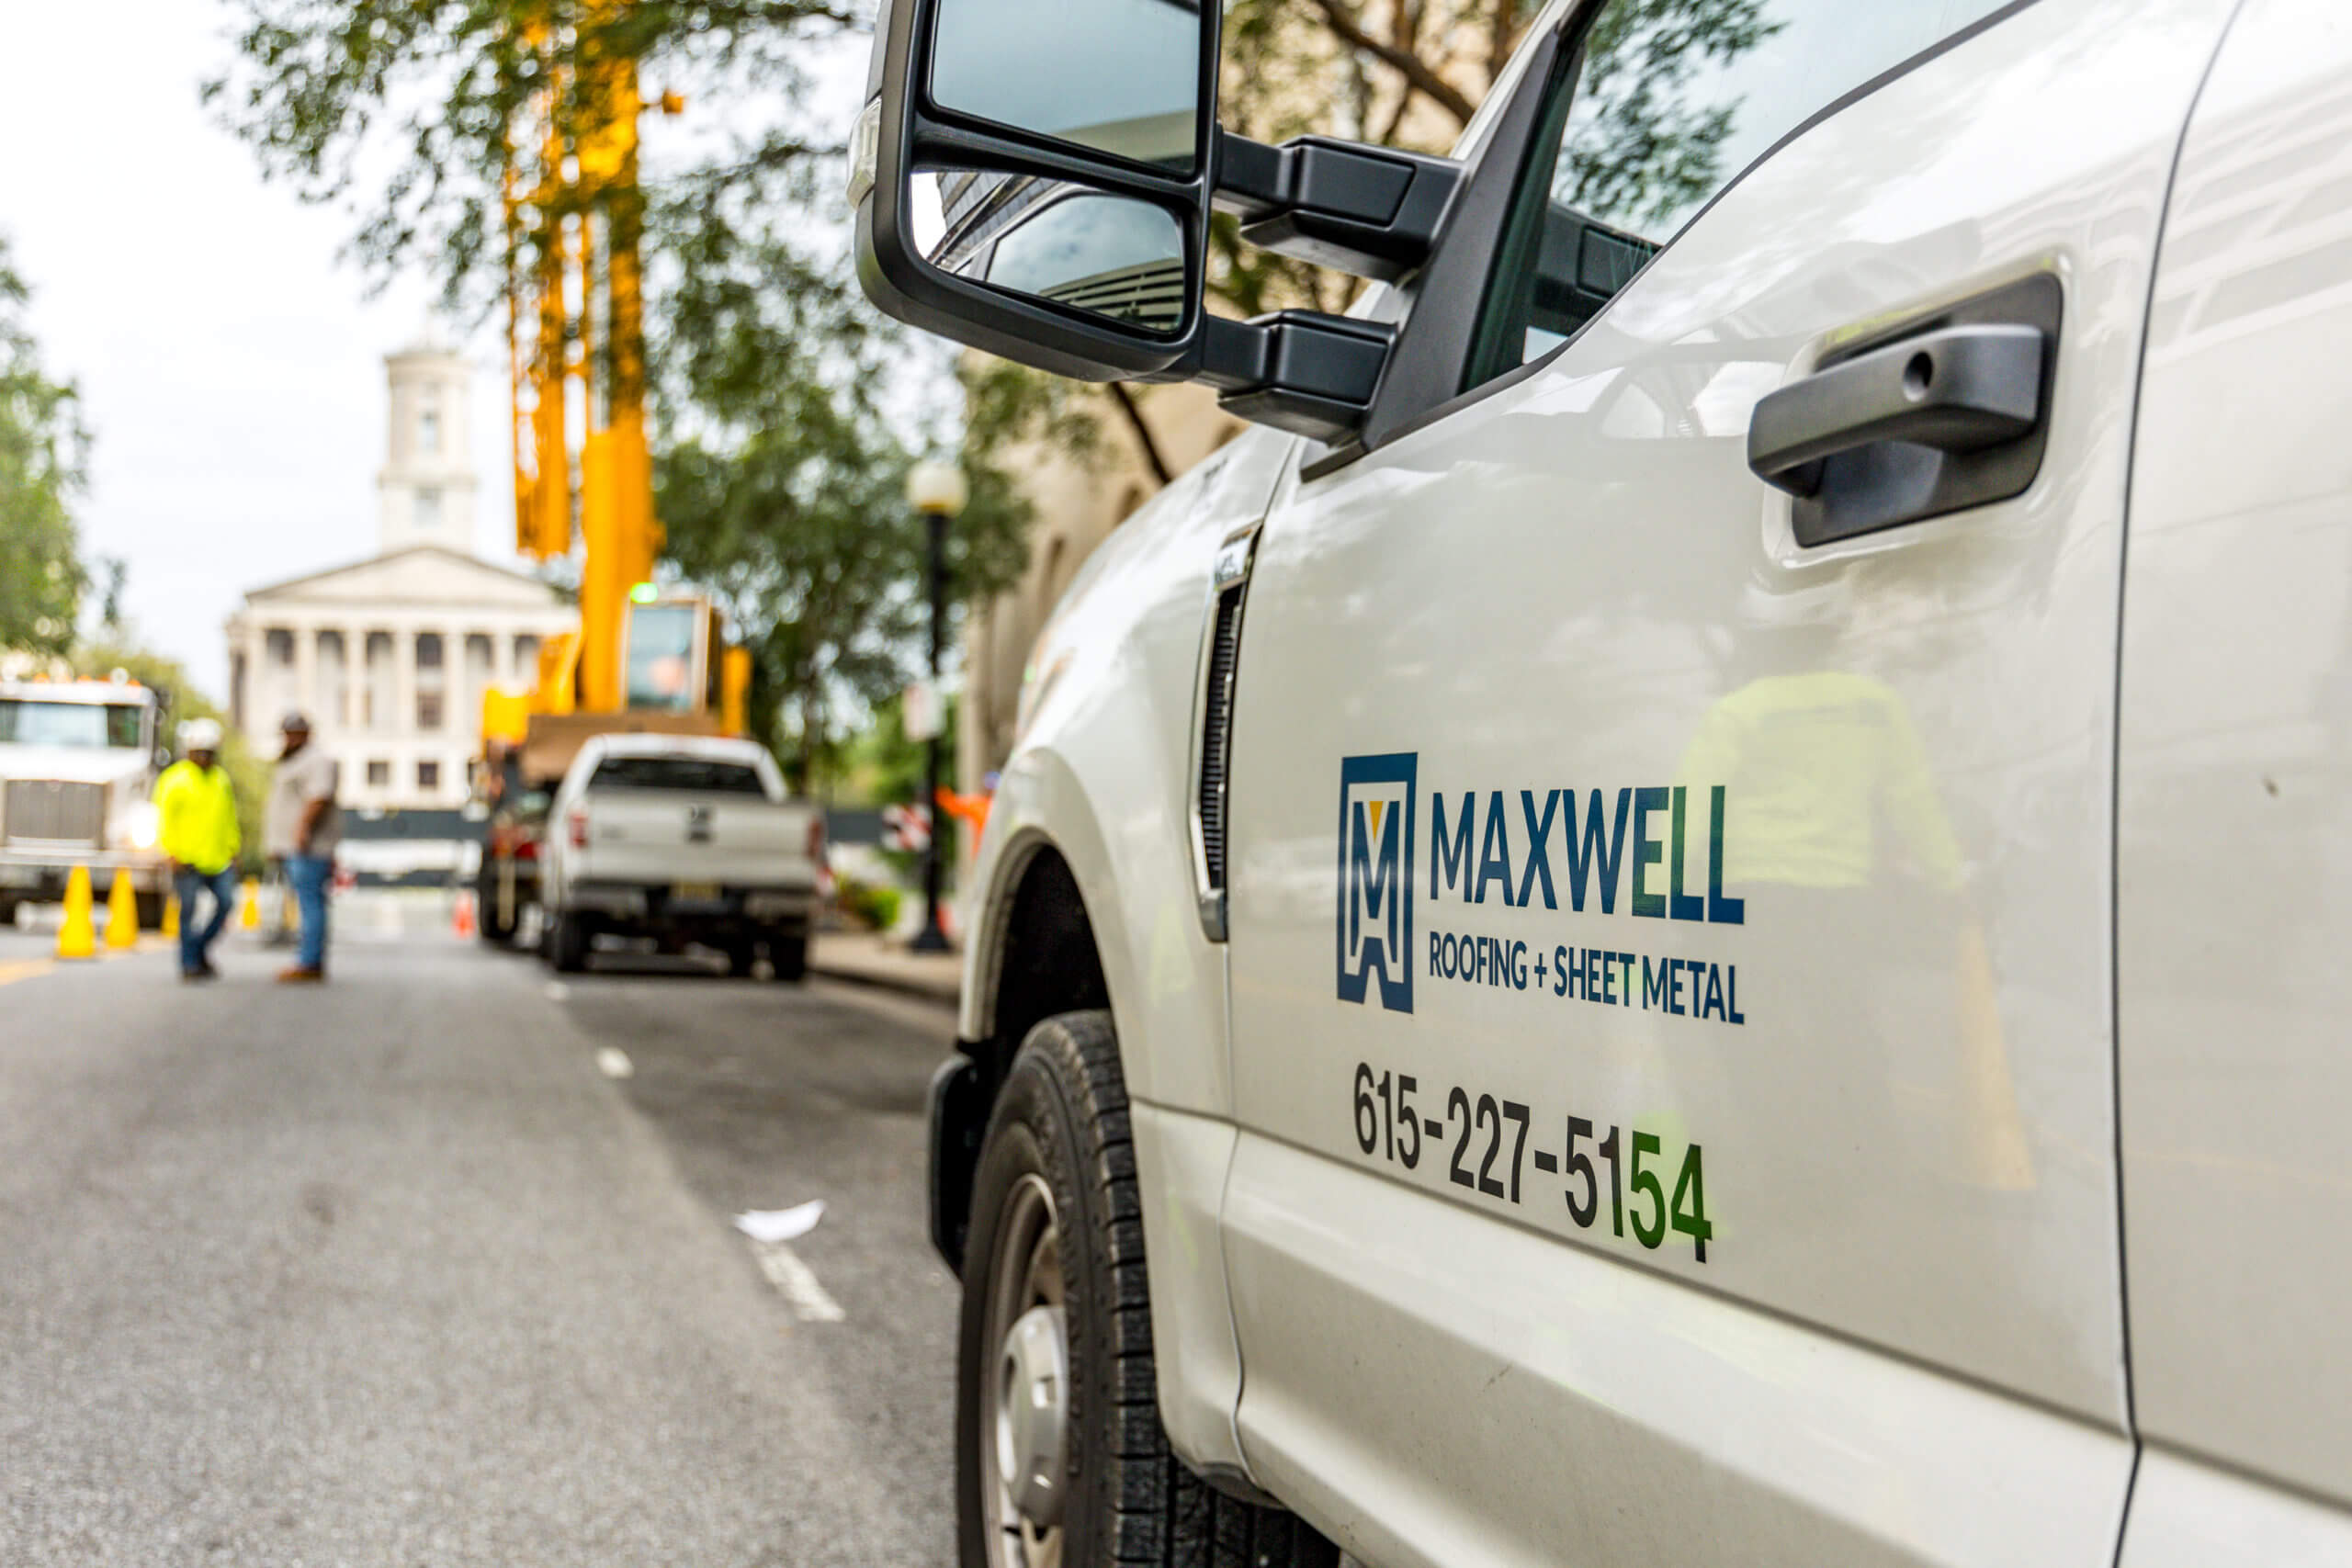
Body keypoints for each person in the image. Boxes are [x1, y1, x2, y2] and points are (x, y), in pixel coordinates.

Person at [153, 717, 241, 981]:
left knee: (226, 904)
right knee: (188, 912)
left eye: (208, 752)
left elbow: (229, 818)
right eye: (199, 752)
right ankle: (189, 964)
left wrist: (234, 850)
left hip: (217, 859)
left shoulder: (220, 779)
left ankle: (199, 948)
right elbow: (163, 820)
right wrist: (169, 851)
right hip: (186, 858)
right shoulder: (174, 779)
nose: (203, 757)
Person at [265, 710, 341, 982]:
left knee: (310, 903)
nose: (289, 738)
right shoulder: (294, 761)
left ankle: (309, 961)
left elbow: (318, 797)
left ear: (305, 734)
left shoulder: (316, 761)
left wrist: (301, 830)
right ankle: (309, 958)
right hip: (295, 847)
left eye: (294, 733)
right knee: (307, 903)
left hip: (309, 848)